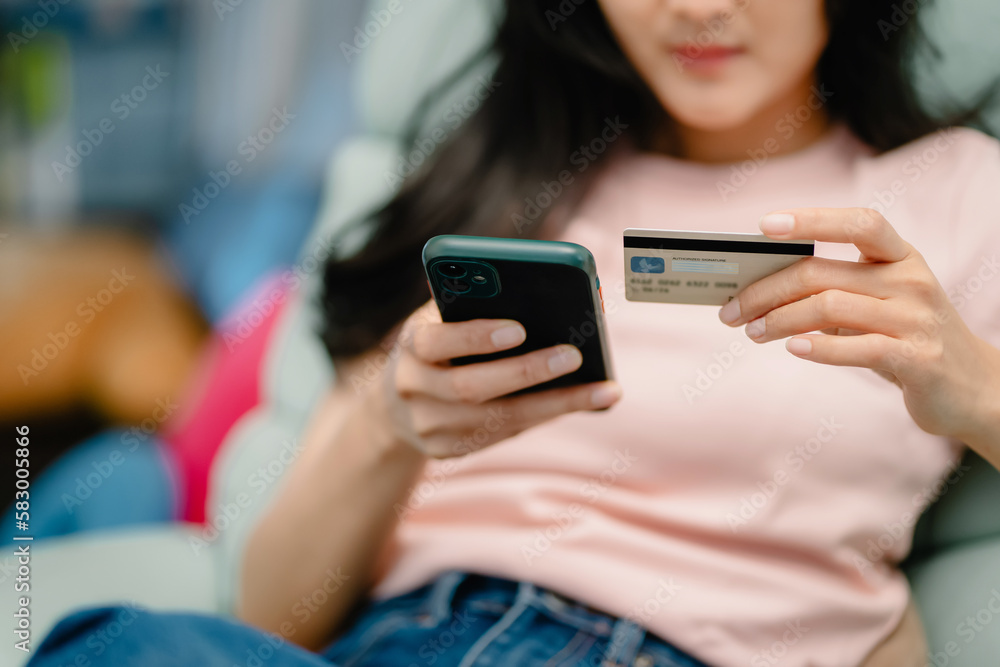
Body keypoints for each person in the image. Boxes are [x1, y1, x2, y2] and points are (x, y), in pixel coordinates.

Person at [30, 0, 1000, 666]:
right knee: (114, 644)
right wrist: (384, 425)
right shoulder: (503, 180)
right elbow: (270, 615)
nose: (696, 9)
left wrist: (973, 386)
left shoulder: (953, 191)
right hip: (401, 635)